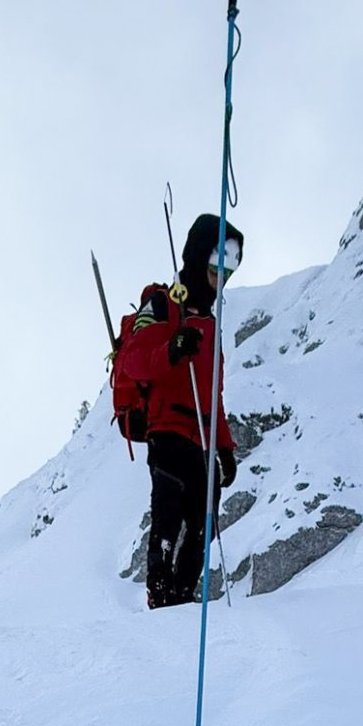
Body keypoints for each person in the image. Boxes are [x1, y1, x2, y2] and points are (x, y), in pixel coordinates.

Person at [119, 214, 244, 608]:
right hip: (167, 425)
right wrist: (172, 349)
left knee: (204, 521)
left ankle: (182, 594)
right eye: (212, 271)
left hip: (202, 437)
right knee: (169, 506)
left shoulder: (211, 324)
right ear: (194, 261)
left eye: (226, 273)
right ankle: (159, 590)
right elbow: (133, 363)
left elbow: (213, 395)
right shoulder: (162, 305)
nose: (218, 281)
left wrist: (225, 446)